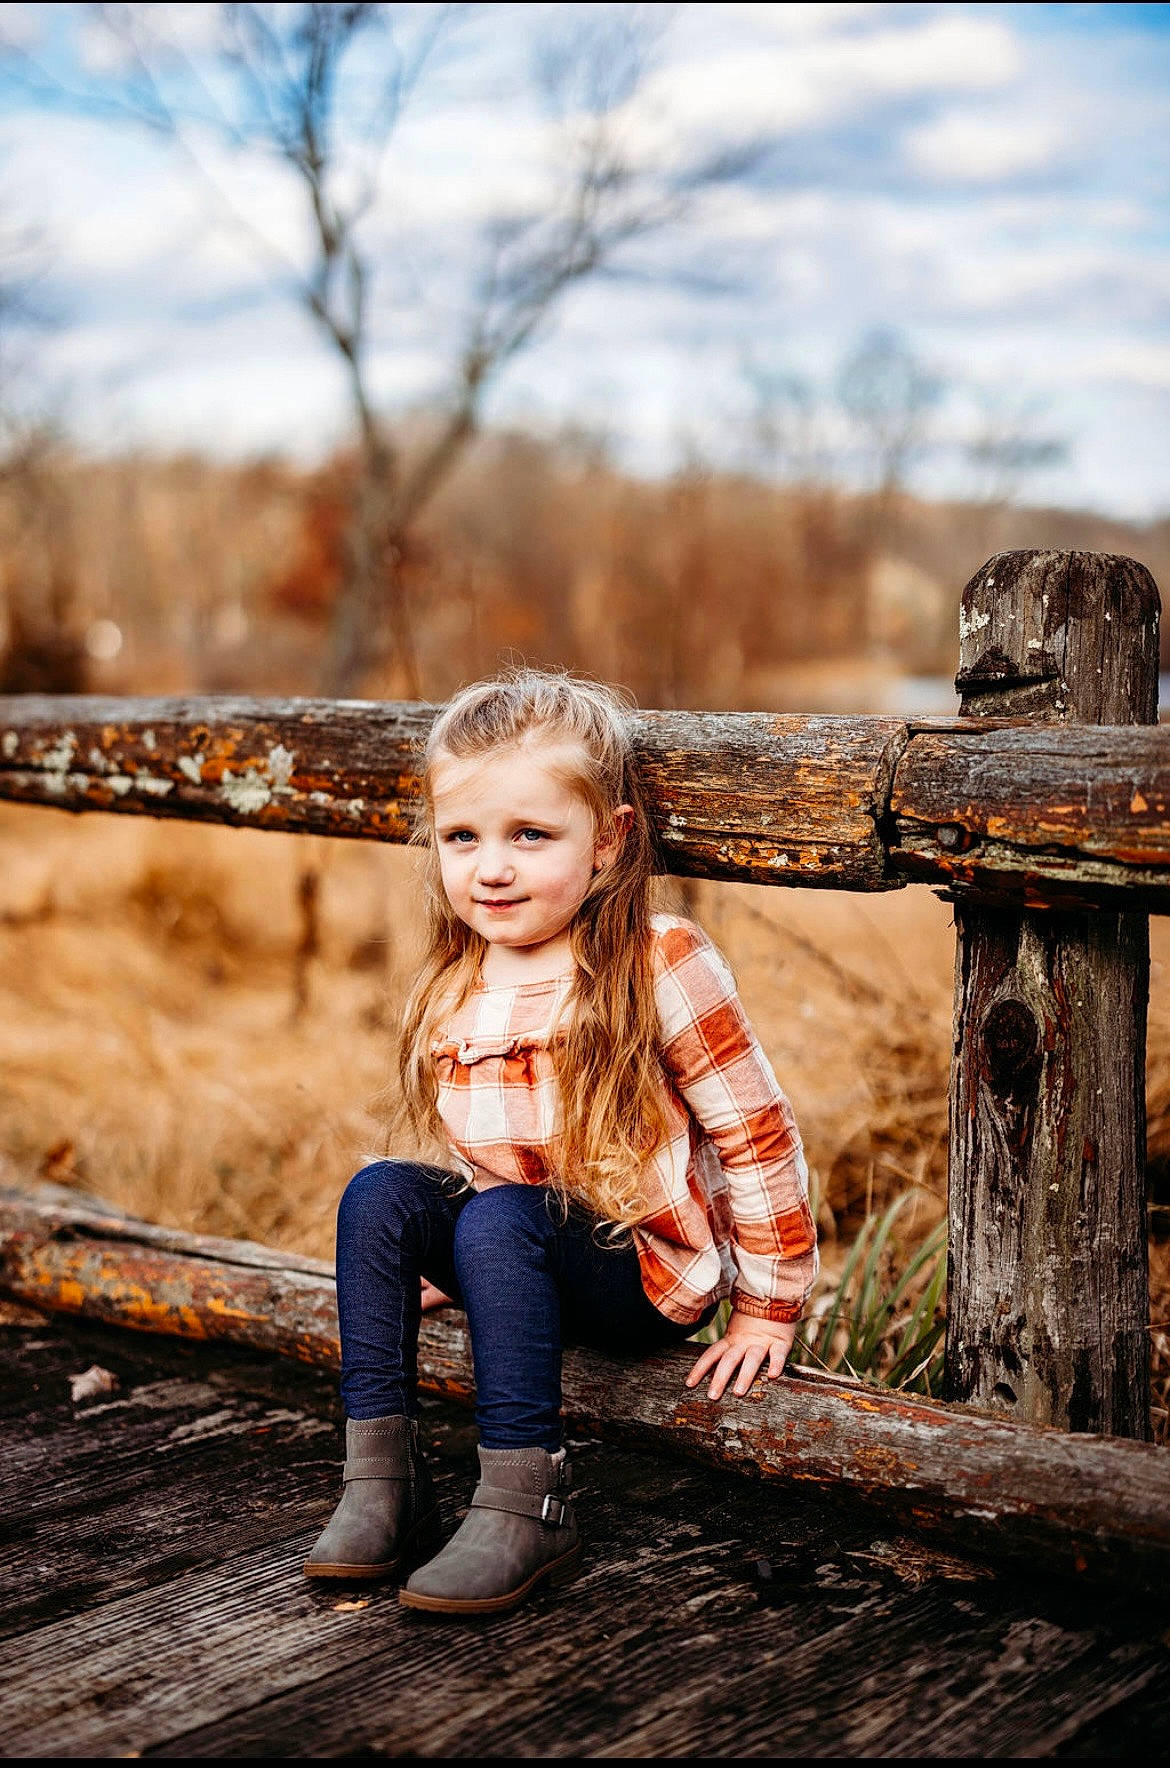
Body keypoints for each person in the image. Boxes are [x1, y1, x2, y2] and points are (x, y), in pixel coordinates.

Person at [303, 667, 818, 1616]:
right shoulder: (458, 976)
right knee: (377, 1194)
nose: (490, 868)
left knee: (501, 1220)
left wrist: (768, 1307)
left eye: (530, 835)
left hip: (640, 1276)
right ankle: (382, 1482)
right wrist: (438, 1251)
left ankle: (528, 1503)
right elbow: (491, 1155)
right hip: (520, 1253)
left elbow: (756, 1135)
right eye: (463, 837)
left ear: (609, 839)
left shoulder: (655, 959)